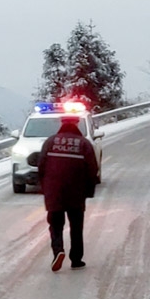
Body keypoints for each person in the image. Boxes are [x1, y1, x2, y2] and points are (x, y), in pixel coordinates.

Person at [37, 115, 99, 272]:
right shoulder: (84, 144)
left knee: (56, 225)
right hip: (76, 192)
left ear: (62, 124)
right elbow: (93, 170)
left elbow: (41, 166)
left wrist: (45, 188)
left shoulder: (50, 142)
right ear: (77, 124)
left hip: (54, 192)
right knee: (76, 226)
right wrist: (89, 191)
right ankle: (76, 259)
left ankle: (58, 251)